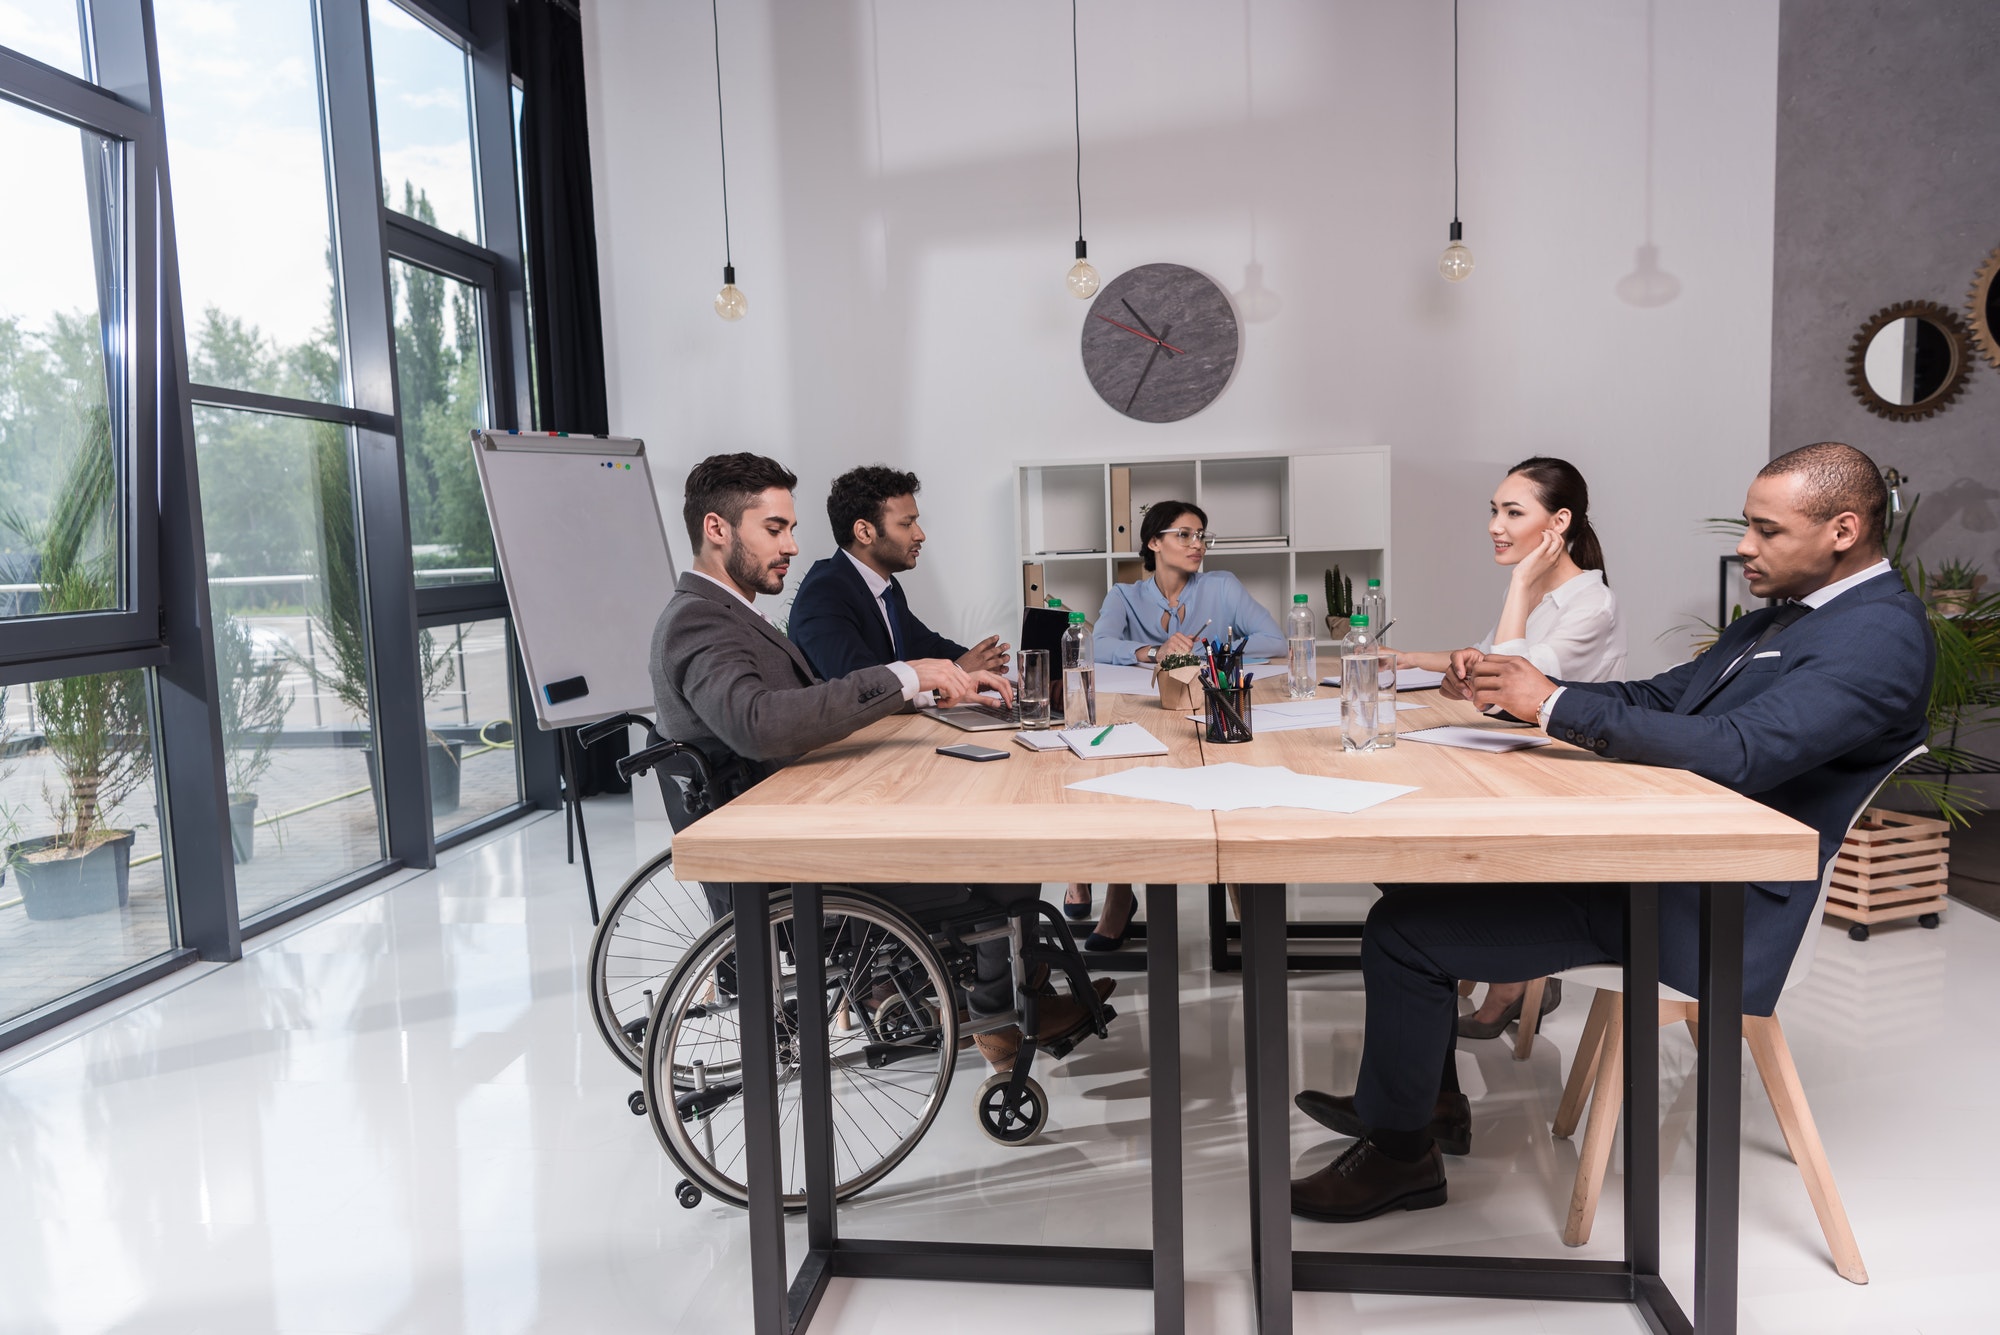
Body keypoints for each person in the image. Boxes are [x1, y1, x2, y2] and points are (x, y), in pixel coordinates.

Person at [1289, 442, 1932, 1223]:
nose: (1743, 546)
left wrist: (1552, 707)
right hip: (1670, 857)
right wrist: (1538, 693)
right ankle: (1417, 1105)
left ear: (1843, 529)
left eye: (1765, 530)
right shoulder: (1792, 617)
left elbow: (1739, 752)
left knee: (1404, 930)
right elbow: (1661, 695)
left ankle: (1401, 1157)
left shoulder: (1877, 636)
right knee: (1422, 881)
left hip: (1714, 905)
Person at [650, 453, 1110, 1071]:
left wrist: (929, 675)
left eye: (790, 527)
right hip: (792, 860)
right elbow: (759, 724)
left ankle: (1008, 1002)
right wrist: (904, 675)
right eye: (774, 529)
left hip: (807, 822)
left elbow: (797, 706)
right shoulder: (699, 622)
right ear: (717, 529)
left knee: (993, 837)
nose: (791, 544)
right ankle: (1001, 1021)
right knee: (1004, 860)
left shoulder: (734, 614)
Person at [1395, 457, 1627, 1039]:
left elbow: (1506, 684)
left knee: (1424, 864)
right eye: (1494, 511)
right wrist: (1428, 665)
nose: (1495, 525)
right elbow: (1481, 663)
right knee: (1411, 859)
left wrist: (1518, 584)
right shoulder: (1546, 599)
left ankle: (1509, 968)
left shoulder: (1589, 606)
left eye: (1512, 512)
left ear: (1559, 522)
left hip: (1566, 784)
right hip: (1520, 765)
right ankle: (1495, 970)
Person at [1069, 501, 1288, 944]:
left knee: (1230, 786)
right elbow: (1101, 642)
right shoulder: (1125, 595)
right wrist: (1152, 652)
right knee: (1124, 781)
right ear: (1154, 542)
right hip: (1147, 714)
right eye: (1184, 534)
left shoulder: (1222, 587)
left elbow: (1276, 641)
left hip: (1211, 708)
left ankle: (1243, 901)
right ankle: (1119, 891)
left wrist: (1212, 647)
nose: (1197, 545)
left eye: (1202, 535)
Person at [788, 464, 1010, 683]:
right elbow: (862, 686)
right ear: (864, 532)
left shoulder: (885, 587)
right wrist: (959, 672)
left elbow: (928, 646)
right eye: (907, 524)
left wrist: (985, 663)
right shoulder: (823, 595)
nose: (920, 535)